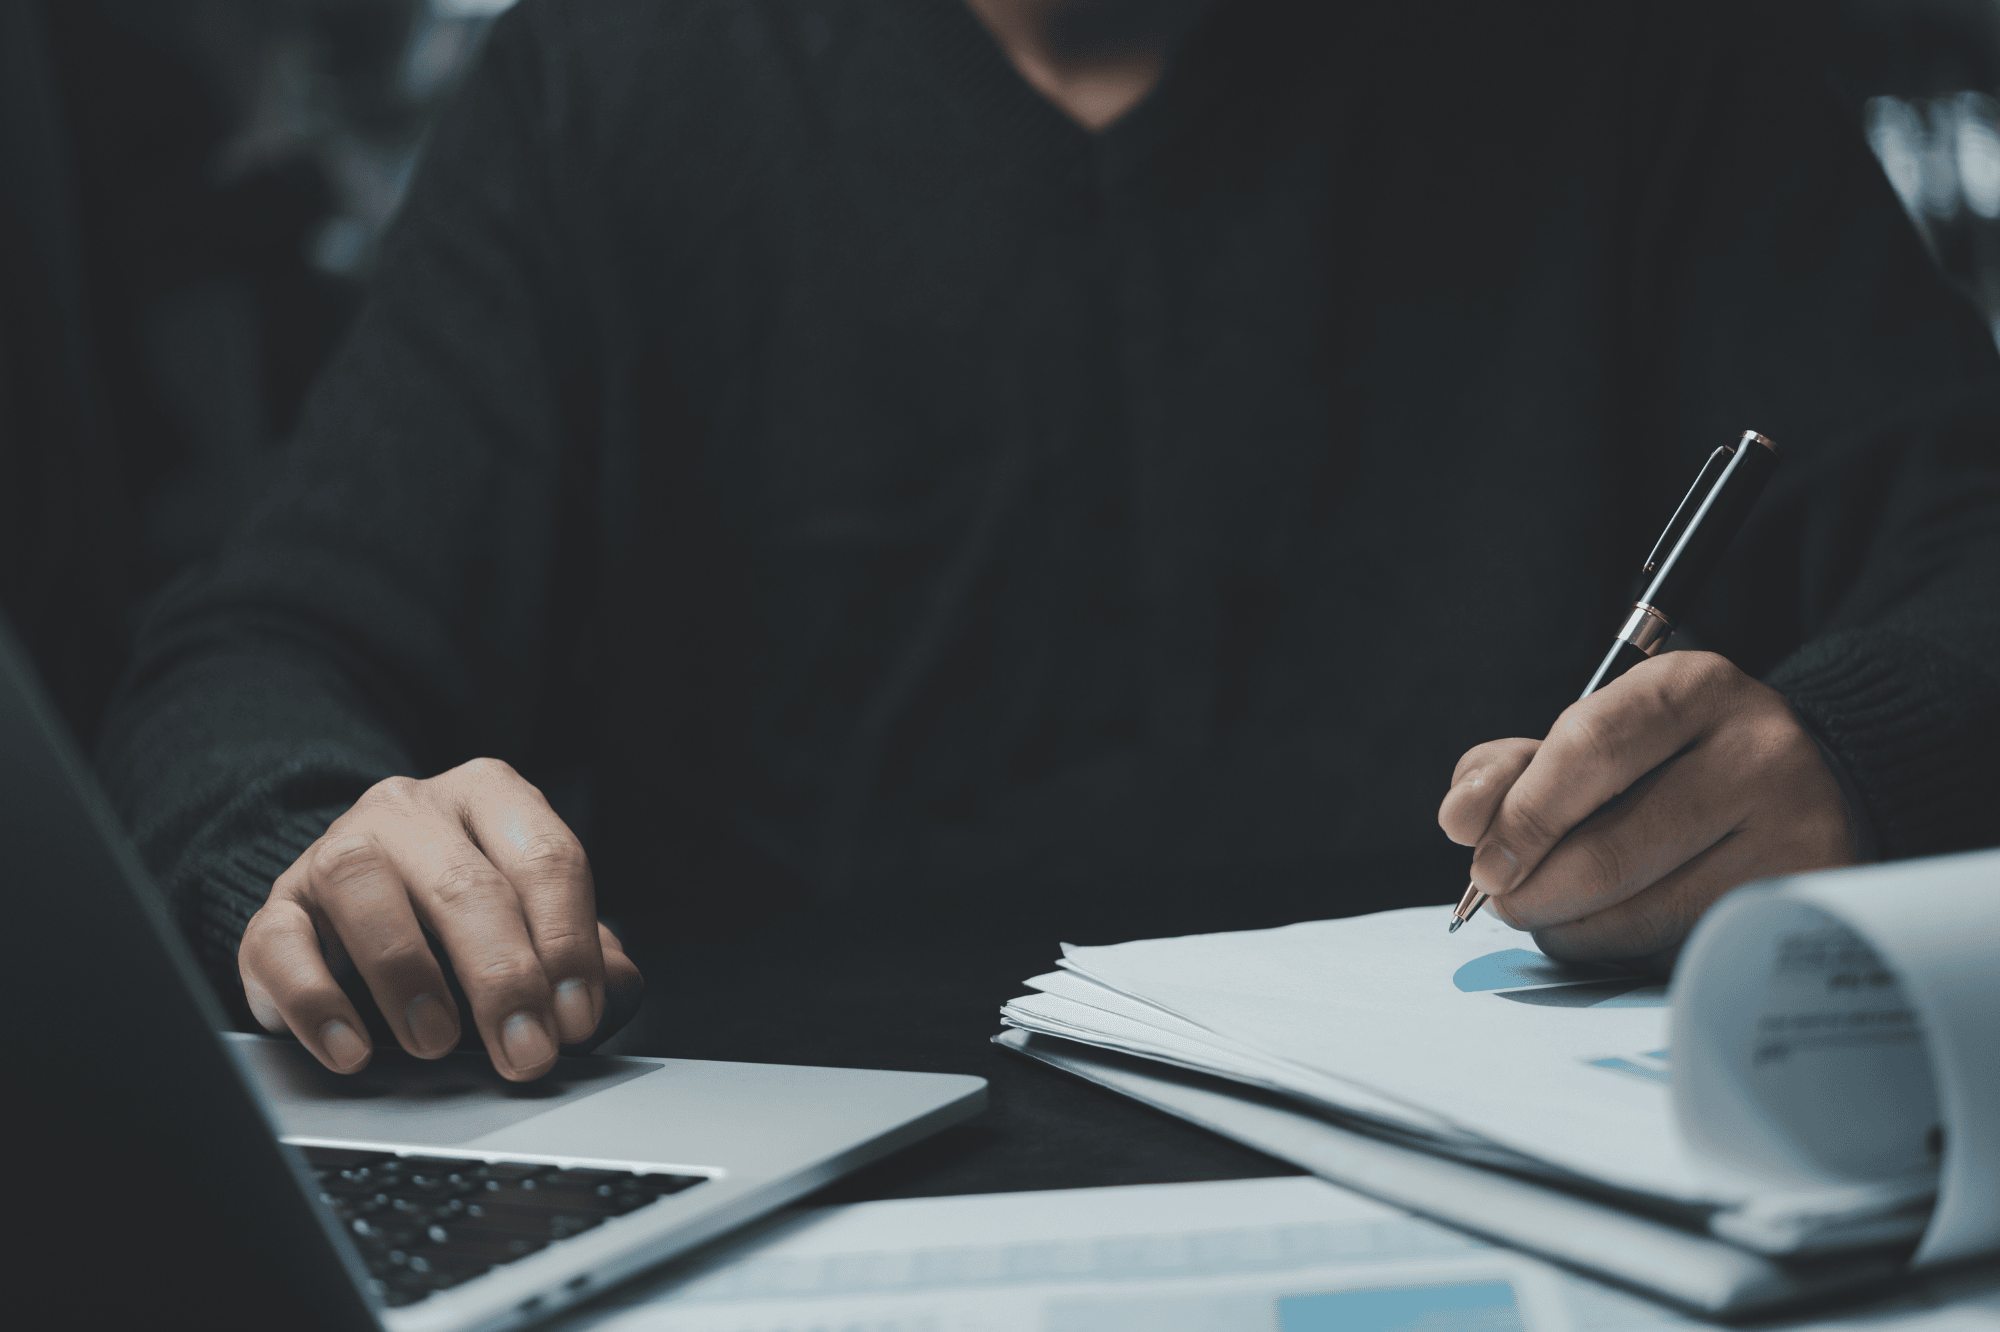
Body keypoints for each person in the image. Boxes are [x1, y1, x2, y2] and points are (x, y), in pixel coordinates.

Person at [98, 0, 2000, 1083]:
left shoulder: (1628, 60)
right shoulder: (621, 77)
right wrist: (319, 846)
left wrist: (1853, 754)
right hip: (787, 1190)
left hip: (1519, 1175)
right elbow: (256, 656)